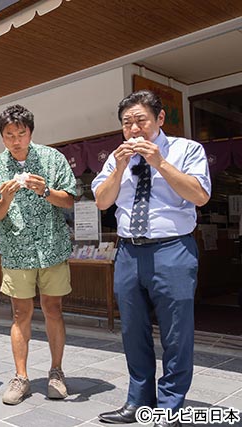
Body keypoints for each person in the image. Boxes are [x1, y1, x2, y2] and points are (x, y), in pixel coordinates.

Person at [92, 90, 211, 427]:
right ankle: (138, 401)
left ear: (159, 119)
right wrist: (117, 168)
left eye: (140, 120)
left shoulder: (188, 150)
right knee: (133, 331)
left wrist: (159, 162)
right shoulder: (115, 158)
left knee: (176, 334)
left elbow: (200, 195)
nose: (134, 128)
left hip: (172, 249)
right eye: (127, 122)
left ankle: (170, 406)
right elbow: (102, 201)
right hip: (128, 251)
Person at [0, 105, 76, 405]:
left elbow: (70, 199)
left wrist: (46, 190)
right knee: (20, 313)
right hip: (17, 252)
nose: (16, 140)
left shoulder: (51, 159)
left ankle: (56, 372)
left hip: (52, 248)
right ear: (2, 136)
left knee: (53, 309)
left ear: (30, 132)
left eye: (21, 133)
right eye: (10, 135)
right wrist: (5, 199)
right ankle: (21, 377)